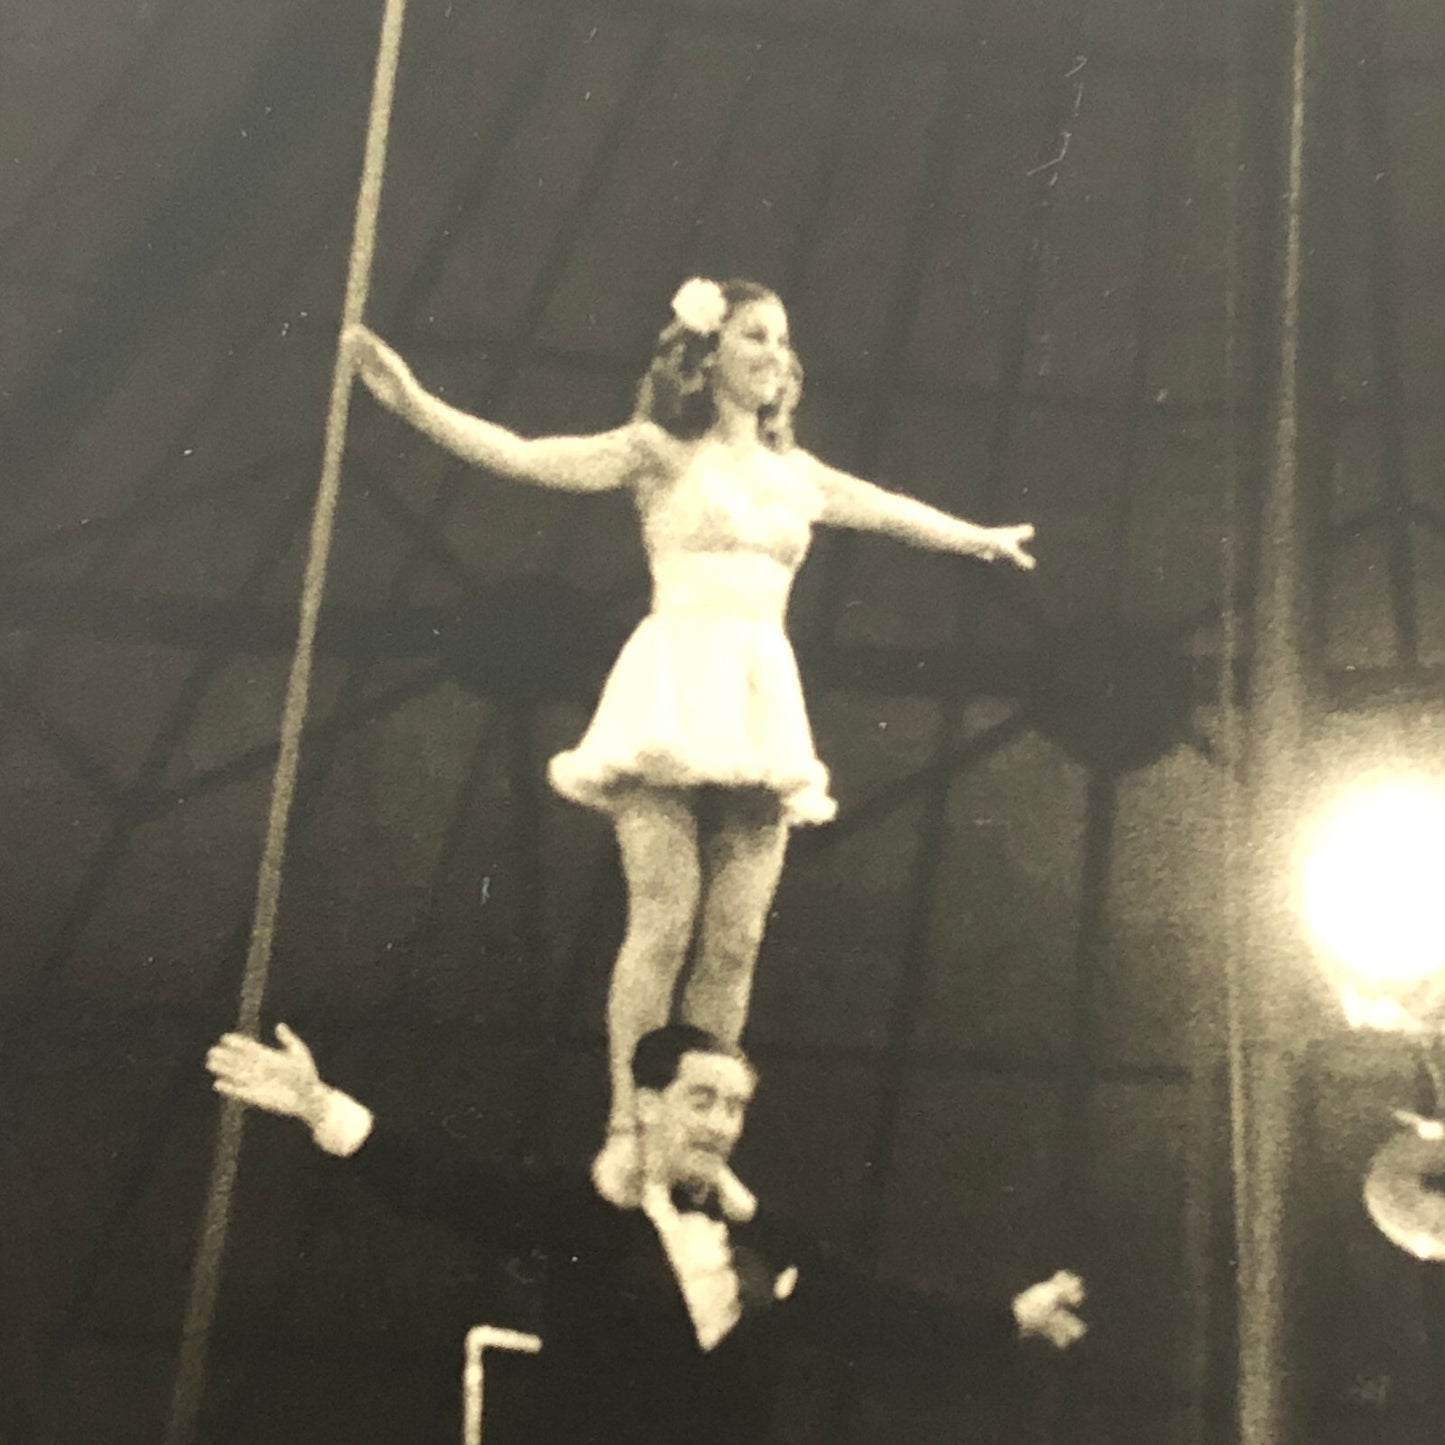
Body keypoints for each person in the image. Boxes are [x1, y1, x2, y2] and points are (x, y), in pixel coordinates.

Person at [345, 278, 1038, 1183]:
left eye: (782, 340)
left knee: (738, 933)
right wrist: (411, 401)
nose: (775, 355)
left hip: (757, 690)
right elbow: (522, 455)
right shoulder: (656, 452)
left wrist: (980, 538)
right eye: (755, 335)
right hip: (673, 679)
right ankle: (630, 1125)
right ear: (708, 354)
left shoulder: (800, 474)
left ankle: (701, 1135)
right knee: (664, 917)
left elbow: (893, 510)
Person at [206, 1021, 1086, 1445]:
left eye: (735, 1105)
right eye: (701, 1098)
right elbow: (449, 1185)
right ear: (648, 1102)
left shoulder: (768, 1241)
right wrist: (320, 1105)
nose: (719, 1121)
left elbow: (880, 1315)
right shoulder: (578, 1213)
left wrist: (1009, 1314)